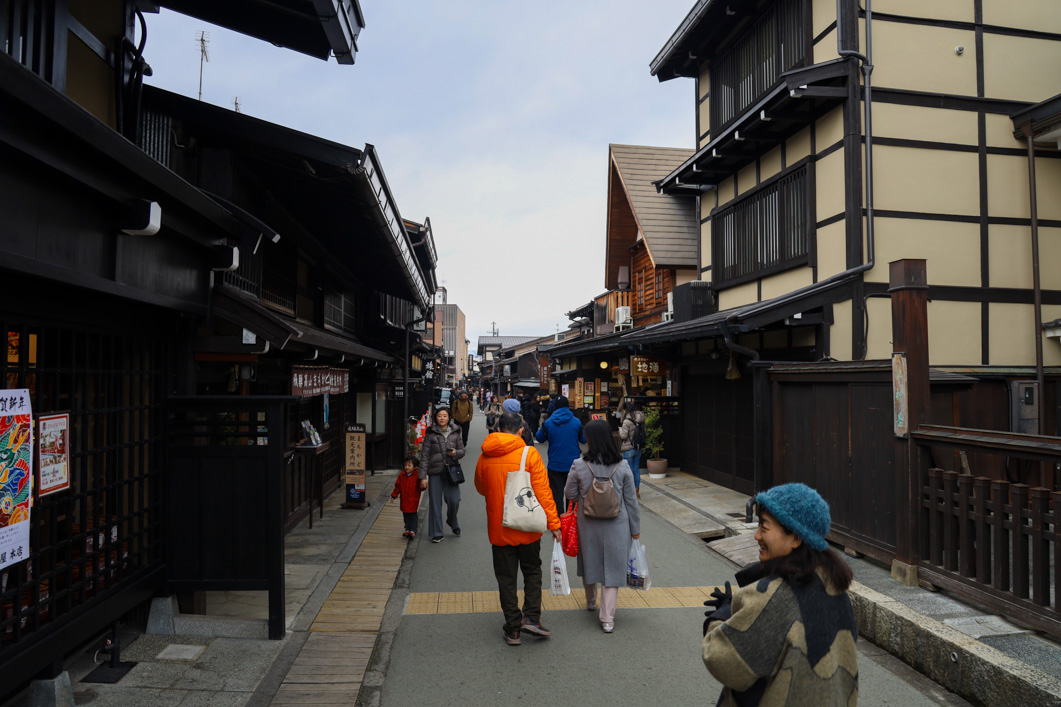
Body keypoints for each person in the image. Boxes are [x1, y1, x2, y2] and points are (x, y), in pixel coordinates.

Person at [702, 483, 858, 705]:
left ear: (796, 538)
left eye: (764, 527)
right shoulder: (834, 586)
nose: (757, 536)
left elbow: (723, 660)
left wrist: (722, 617)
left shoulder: (775, 597)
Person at [474, 411, 562, 646]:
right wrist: (554, 524)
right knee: (532, 571)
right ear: (521, 431)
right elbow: (543, 491)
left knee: (506, 578)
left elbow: (481, 487)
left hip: (499, 527)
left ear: (498, 429)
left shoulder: (485, 454)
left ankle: (513, 629)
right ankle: (531, 618)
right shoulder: (529, 453)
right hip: (528, 526)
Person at [564, 419, 639, 633]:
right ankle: (607, 619)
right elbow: (631, 500)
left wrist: (584, 496)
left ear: (589, 440)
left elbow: (569, 493)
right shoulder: (622, 465)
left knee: (590, 560)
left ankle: (590, 601)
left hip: (588, 522)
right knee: (613, 569)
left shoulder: (579, 464)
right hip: (618, 523)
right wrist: (635, 529)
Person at [418, 405, 466, 543]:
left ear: (449, 418)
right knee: (435, 503)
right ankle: (437, 533)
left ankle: (452, 520)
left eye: (445, 416)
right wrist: (422, 477)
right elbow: (424, 457)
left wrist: (455, 453)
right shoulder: (431, 435)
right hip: (435, 472)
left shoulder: (455, 433)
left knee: (454, 500)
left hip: (451, 471)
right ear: (435, 418)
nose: (442, 418)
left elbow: (462, 451)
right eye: (439, 416)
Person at [535, 395, 585, 516]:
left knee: (556, 495)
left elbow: (539, 438)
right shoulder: (576, 422)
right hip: (574, 465)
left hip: (555, 465)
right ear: (568, 407)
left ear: (555, 408)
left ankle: (558, 521)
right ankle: (570, 519)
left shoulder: (548, 423)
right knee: (572, 495)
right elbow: (583, 440)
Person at [391, 455, 423, 538]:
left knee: (413, 515)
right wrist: (394, 495)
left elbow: (421, 487)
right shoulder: (402, 475)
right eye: (405, 465)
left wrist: (423, 485)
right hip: (404, 499)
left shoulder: (417, 476)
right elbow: (397, 486)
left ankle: (413, 530)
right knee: (405, 515)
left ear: (415, 467)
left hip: (413, 499)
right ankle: (407, 529)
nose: (407, 467)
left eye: (409, 465)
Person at [617, 403, 645, 498]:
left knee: (629, 471)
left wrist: (620, 430)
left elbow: (624, 436)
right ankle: (637, 492)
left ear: (625, 410)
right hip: (638, 448)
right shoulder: (641, 419)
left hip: (628, 449)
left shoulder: (627, 421)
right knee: (636, 470)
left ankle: (631, 492)